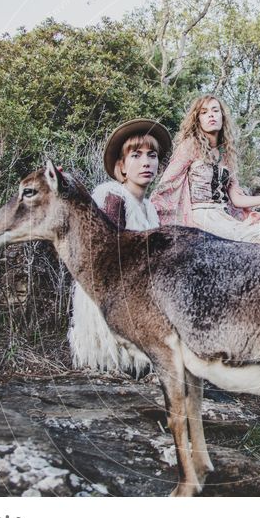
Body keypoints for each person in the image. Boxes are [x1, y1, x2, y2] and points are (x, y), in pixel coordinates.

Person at [68, 118, 171, 378]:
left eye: (152, 155)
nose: (146, 162)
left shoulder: (149, 208)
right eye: (136, 155)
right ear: (121, 166)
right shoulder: (112, 196)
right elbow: (107, 261)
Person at [151, 95, 260, 247]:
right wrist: (149, 211)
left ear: (222, 117)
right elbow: (167, 184)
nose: (211, 114)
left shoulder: (226, 153)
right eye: (204, 112)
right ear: (197, 120)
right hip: (200, 218)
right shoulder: (190, 145)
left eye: (215, 110)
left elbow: (237, 199)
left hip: (223, 216)